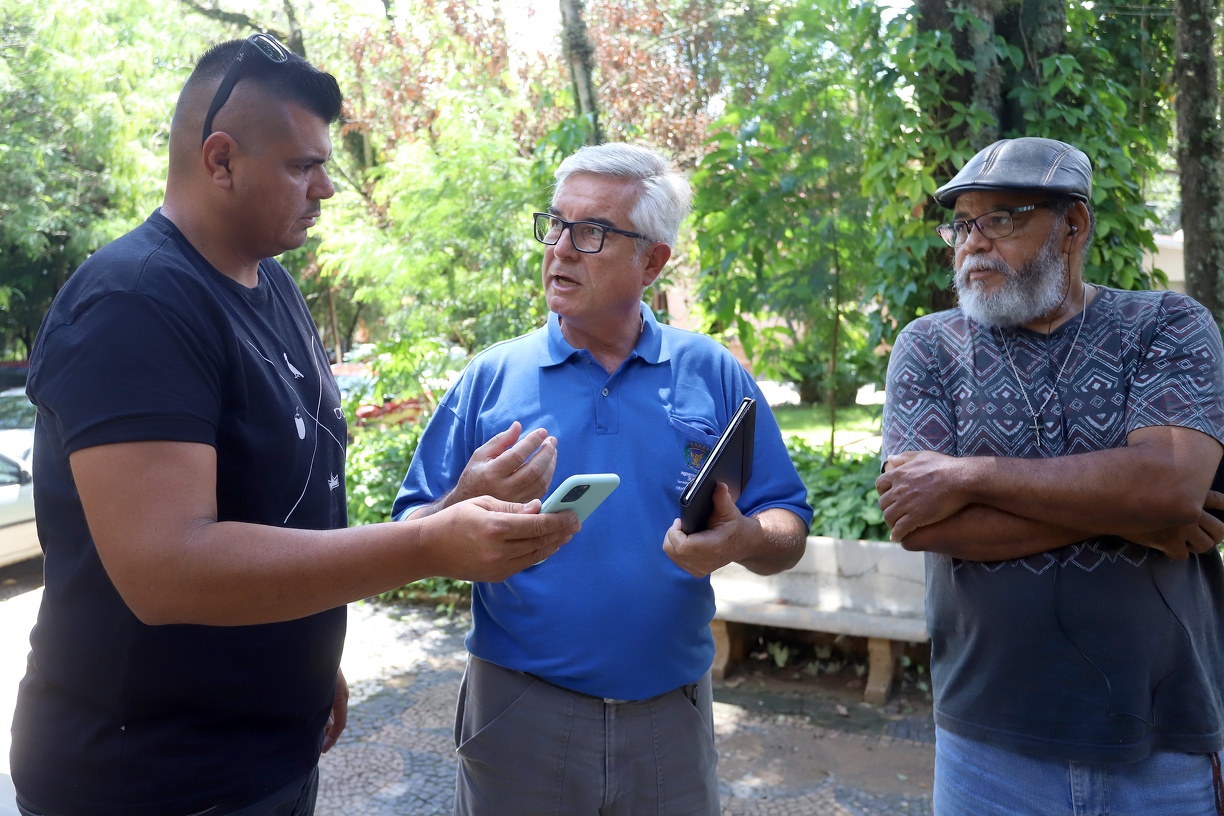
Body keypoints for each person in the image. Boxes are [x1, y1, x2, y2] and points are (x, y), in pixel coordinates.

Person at [10, 34, 578, 816]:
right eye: (302, 166)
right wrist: (425, 545)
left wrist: (312, 653)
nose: (327, 190)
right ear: (220, 160)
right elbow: (166, 568)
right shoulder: (135, 304)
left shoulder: (270, 285)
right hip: (147, 778)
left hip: (266, 751)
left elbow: (279, 501)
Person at [392, 142, 813, 816]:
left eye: (591, 232)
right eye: (555, 224)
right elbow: (407, 537)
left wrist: (740, 538)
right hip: (520, 710)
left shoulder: (711, 371)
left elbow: (788, 523)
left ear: (652, 261)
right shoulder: (489, 379)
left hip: (671, 716)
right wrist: (457, 508)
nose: (559, 248)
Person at [876, 136, 1224, 815]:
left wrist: (969, 476)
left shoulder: (1166, 325)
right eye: (964, 223)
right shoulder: (929, 346)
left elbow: (1172, 486)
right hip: (987, 748)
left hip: (1165, 739)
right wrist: (1137, 523)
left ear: (1073, 225)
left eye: (1002, 218)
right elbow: (920, 522)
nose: (973, 242)